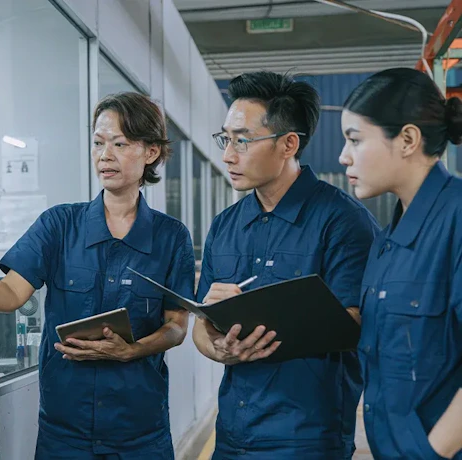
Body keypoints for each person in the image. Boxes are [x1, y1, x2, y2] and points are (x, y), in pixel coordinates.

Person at [0, 92, 195, 459]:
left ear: (151, 152)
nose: (104, 155)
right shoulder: (59, 225)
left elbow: (176, 326)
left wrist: (134, 350)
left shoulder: (171, 236)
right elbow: (10, 295)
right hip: (65, 433)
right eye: (98, 143)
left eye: (120, 143)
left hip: (140, 432)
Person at [192, 71, 379, 459]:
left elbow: (355, 323)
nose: (228, 154)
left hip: (306, 437)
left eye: (242, 140)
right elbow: (200, 329)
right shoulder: (225, 226)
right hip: (232, 434)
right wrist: (219, 348)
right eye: (225, 138)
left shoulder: (343, 221)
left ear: (288, 144)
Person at [339, 67, 462, 460]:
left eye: (355, 140)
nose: (343, 156)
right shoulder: (387, 240)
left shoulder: (457, 218)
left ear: (408, 139)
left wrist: (428, 453)